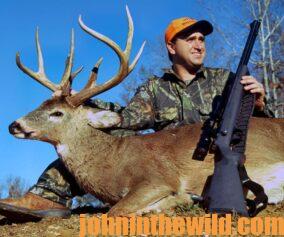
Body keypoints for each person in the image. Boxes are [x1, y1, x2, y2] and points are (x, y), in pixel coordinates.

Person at [0, 17, 273, 221]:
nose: (198, 44)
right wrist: (77, 104)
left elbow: (256, 125)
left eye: (201, 39)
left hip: (216, 149)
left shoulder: (227, 80)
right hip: (168, 151)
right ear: (171, 46)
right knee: (90, 141)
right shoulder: (154, 88)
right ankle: (46, 197)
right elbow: (125, 118)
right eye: (190, 39)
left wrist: (259, 102)